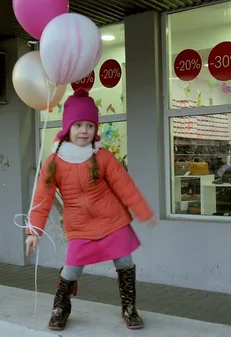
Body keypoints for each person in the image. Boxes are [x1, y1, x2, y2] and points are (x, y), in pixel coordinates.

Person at [25, 88, 157, 331]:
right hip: (79, 227)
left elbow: (124, 184)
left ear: (95, 129)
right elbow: (42, 198)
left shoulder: (102, 156)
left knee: (125, 262)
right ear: (67, 128)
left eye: (89, 125)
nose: (84, 131)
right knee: (71, 270)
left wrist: (142, 210)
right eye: (78, 125)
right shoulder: (54, 161)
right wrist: (33, 231)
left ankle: (129, 308)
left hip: (113, 221)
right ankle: (60, 307)